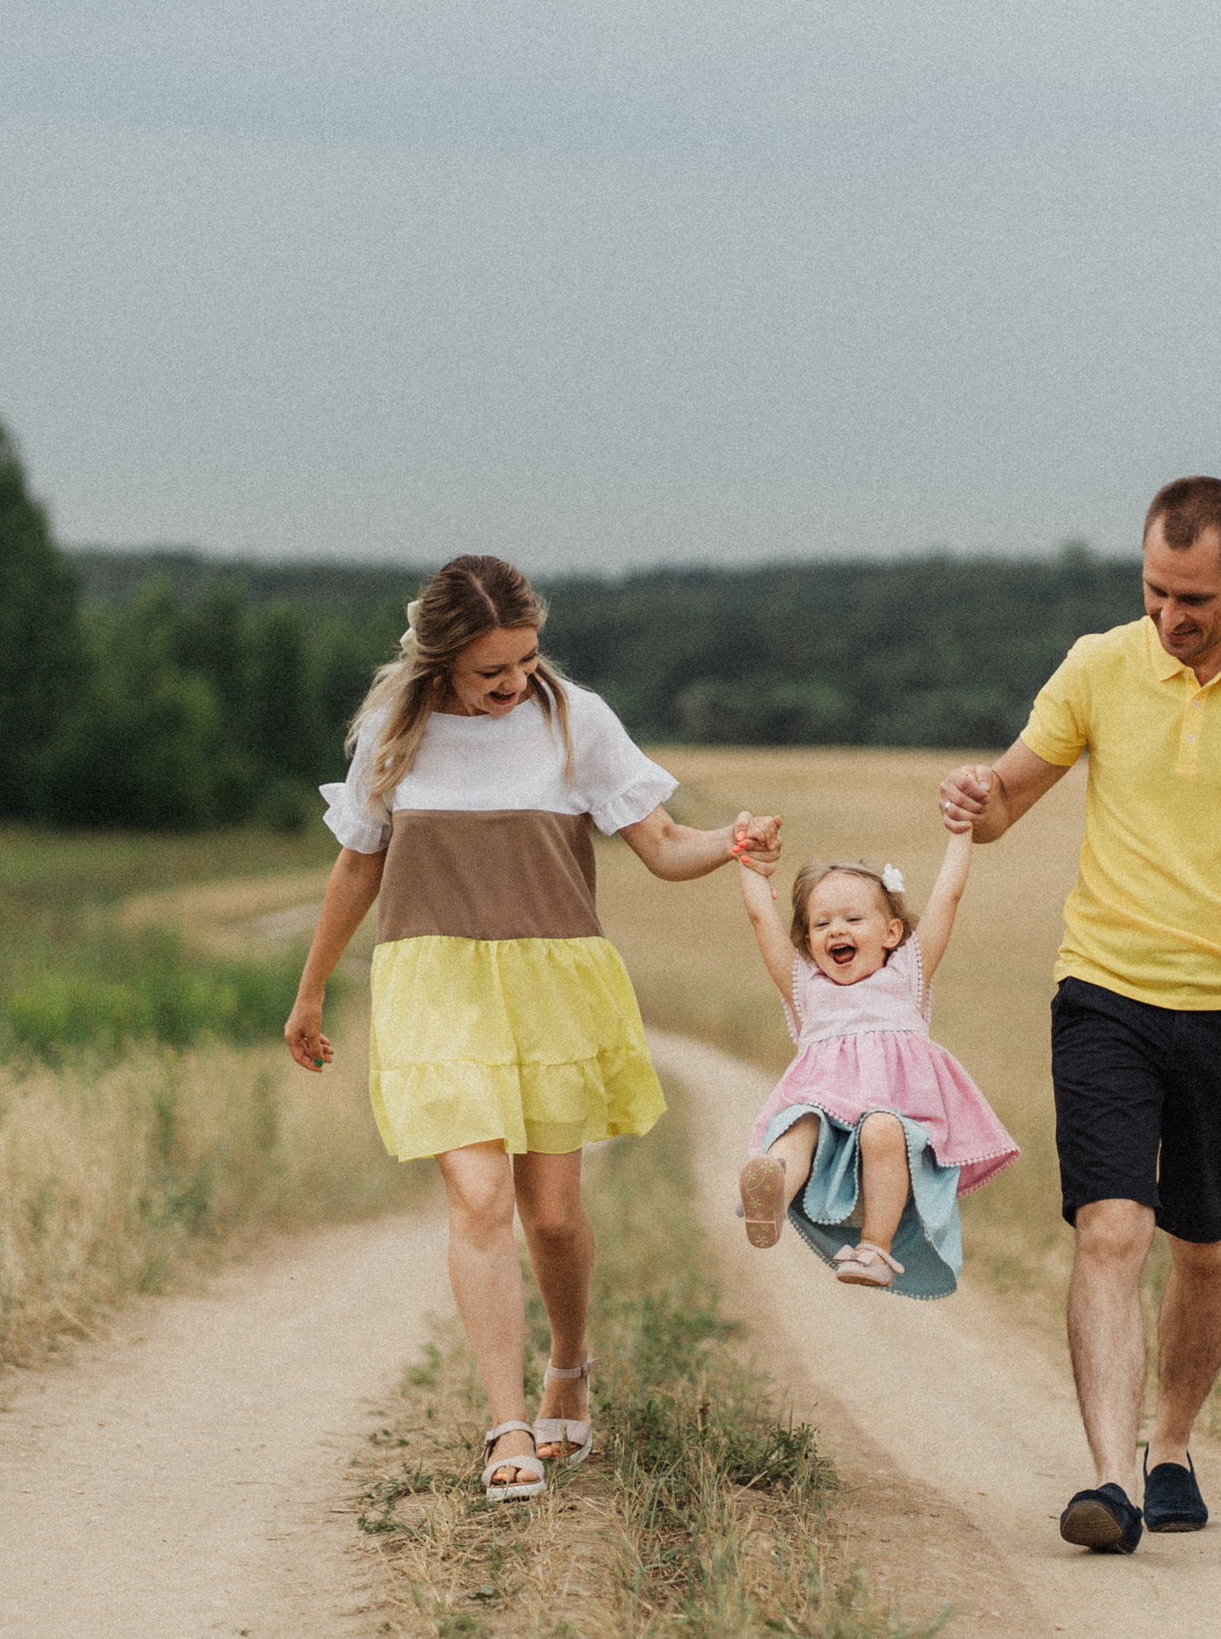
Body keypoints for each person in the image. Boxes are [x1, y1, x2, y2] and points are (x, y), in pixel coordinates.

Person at [938, 477, 1221, 1554]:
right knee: (1112, 1228)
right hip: (1104, 992)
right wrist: (974, 797)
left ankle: (1172, 1443)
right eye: (1154, 592)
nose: (1170, 620)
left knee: (1208, 1246)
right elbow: (1007, 798)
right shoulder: (1099, 664)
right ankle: (1107, 1481)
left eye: (1194, 599)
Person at [282, 554, 781, 1503]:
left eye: (526, 658)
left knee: (550, 1214)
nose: (516, 683)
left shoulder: (574, 718)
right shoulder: (396, 731)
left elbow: (665, 846)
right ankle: (506, 1423)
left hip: (553, 984)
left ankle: (571, 1360)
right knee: (477, 1202)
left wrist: (733, 841)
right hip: (434, 982)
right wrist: (309, 994)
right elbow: (357, 867)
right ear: (440, 663)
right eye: (491, 671)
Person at [732, 825, 1019, 1298]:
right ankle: (771, 1195)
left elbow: (946, 897)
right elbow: (762, 919)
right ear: (808, 941)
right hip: (826, 1116)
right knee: (799, 1125)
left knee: (880, 1127)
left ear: (892, 933)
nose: (836, 930)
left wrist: (960, 834)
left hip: (894, 1120)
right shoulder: (807, 991)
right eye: (821, 925)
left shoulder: (908, 974)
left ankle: (874, 1250)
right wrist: (748, 861)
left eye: (851, 919)